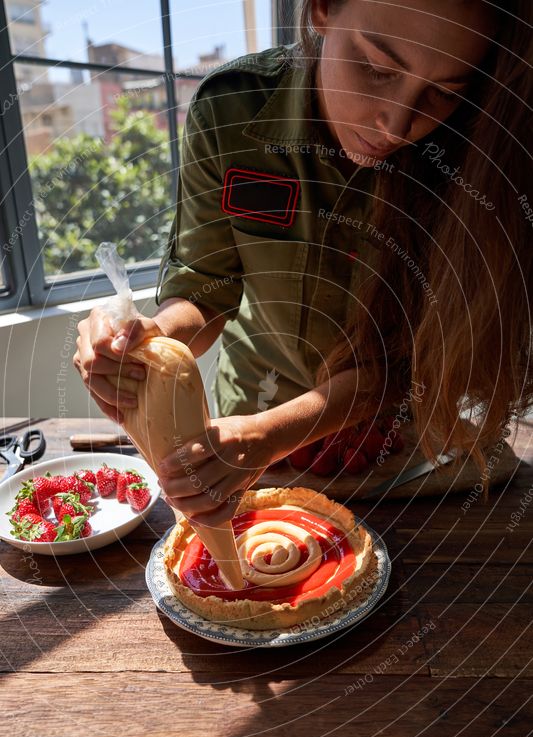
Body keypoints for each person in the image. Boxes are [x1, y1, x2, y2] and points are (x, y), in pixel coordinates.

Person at [74, 0, 532, 527]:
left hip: (402, 452)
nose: (398, 123)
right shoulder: (234, 110)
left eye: (444, 93)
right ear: (321, 10)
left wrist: (270, 435)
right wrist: (151, 340)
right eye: (378, 67)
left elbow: (407, 361)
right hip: (244, 430)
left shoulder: (477, 158)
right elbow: (206, 285)